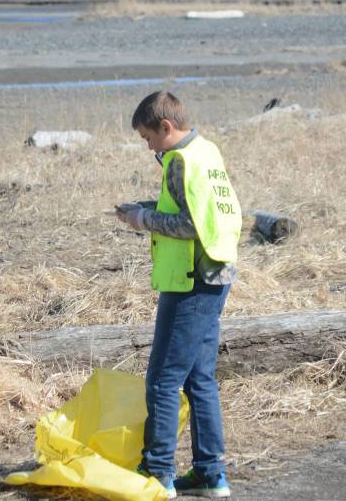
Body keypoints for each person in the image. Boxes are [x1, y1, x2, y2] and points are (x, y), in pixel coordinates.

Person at [116, 91, 241, 499]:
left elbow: (188, 224)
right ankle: (209, 474)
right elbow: (199, 208)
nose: (148, 146)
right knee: (200, 378)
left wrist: (141, 219)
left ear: (166, 128)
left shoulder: (179, 161)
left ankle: (158, 473)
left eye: (148, 138)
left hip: (189, 280)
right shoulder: (207, 151)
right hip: (216, 274)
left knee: (163, 380)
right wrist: (147, 206)